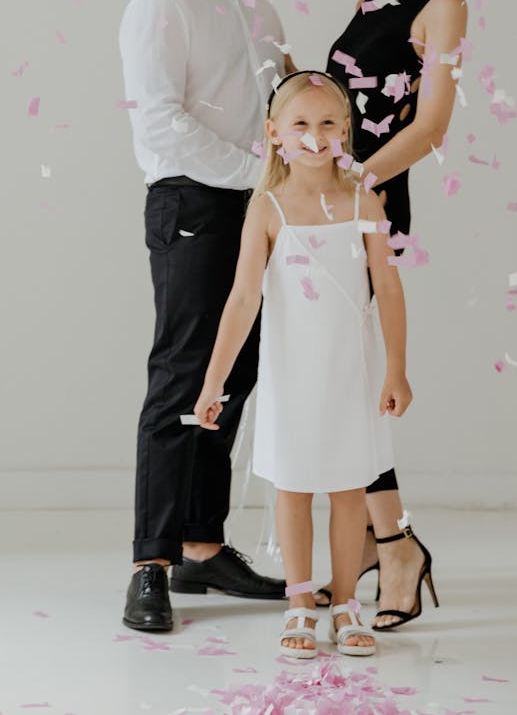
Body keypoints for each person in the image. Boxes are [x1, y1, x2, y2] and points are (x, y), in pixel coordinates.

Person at [119, 0, 292, 633]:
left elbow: (274, 106)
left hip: (254, 208)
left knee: (236, 374)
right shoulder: (159, 4)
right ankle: (149, 566)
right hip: (192, 201)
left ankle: (202, 543)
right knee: (183, 375)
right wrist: (260, 174)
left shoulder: (259, 11)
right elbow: (161, 124)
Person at [194, 70, 418, 658]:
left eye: (326, 124)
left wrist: (396, 368)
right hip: (292, 371)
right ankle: (300, 603)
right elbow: (243, 299)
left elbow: (388, 290)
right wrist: (214, 380)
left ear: (345, 130)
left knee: (348, 489)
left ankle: (345, 603)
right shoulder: (266, 209)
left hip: (352, 370)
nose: (315, 137)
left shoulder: (364, 200)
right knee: (293, 488)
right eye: (300, 125)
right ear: (274, 134)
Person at [320, 0, 467, 630]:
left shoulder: (444, 6)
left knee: (349, 377)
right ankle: (388, 538)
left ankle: (397, 543)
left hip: (369, 199)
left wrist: (352, 181)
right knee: (337, 376)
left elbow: (431, 125)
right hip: (325, 197)